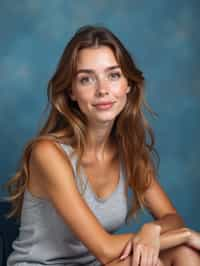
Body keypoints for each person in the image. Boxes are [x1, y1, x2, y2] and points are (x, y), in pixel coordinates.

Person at [5, 24, 200, 266]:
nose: (103, 90)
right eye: (86, 79)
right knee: (175, 251)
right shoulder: (47, 153)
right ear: (71, 92)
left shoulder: (128, 152)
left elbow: (172, 217)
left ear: (128, 84)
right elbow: (106, 249)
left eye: (113, 75)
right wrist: (186, 236)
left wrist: (153, 229)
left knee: (187, 254)